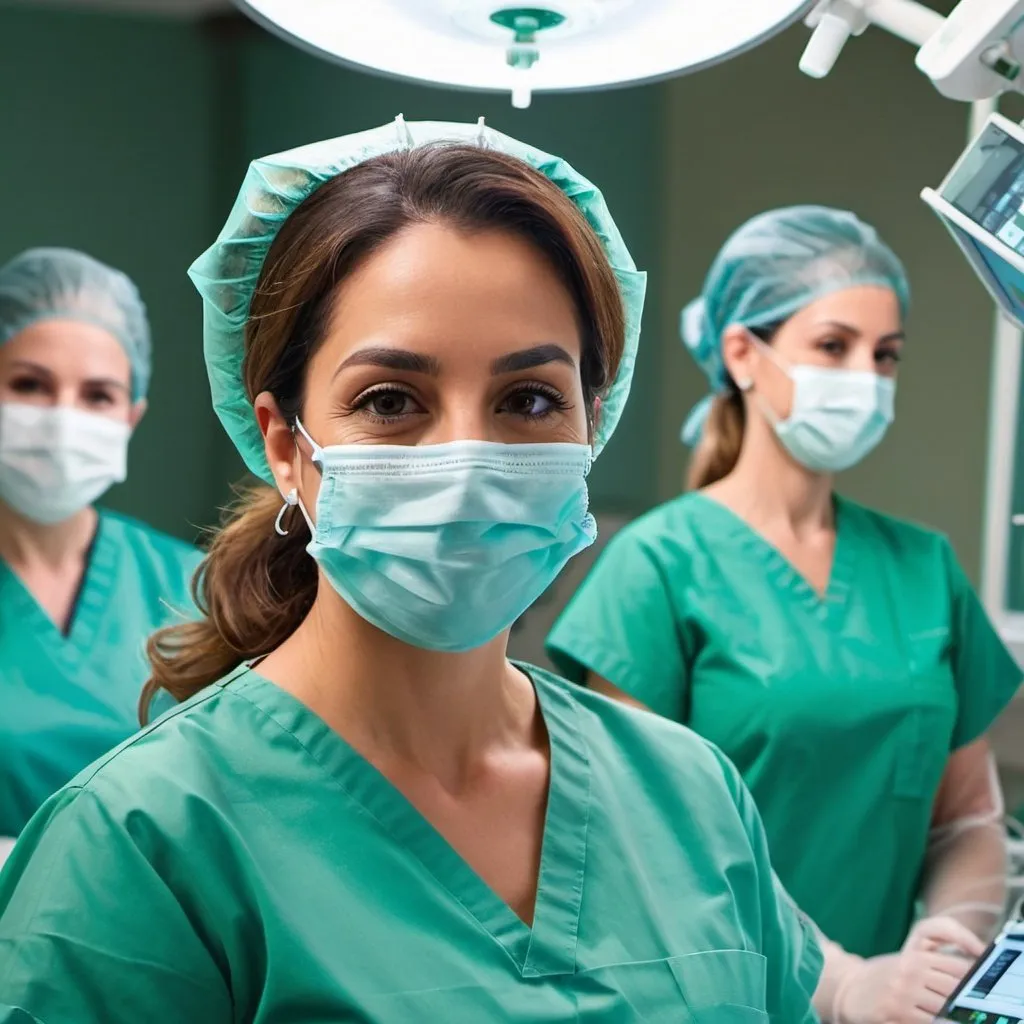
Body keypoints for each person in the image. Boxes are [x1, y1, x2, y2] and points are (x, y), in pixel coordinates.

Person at [0, 119, 822, 1022]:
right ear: (285, 445)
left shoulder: (692, 799)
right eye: (390, 401)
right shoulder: (142, 849)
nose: (467, 458)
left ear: (592, 421)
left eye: (531, 399)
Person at [546, 205, 1022, 1022]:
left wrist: (945, 944)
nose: (866, 377)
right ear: (742, 354)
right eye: (834, 347)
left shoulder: (922, 568)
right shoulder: (657, 569)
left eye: (887, 355)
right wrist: (836, 985)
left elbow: (968, 821)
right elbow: (649, 846)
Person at [0, 247, 202, 839]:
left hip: (142, 924)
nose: (64, 418)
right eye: (29, 385)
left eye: (98, 396)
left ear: (131, 417)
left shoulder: (196, 589)